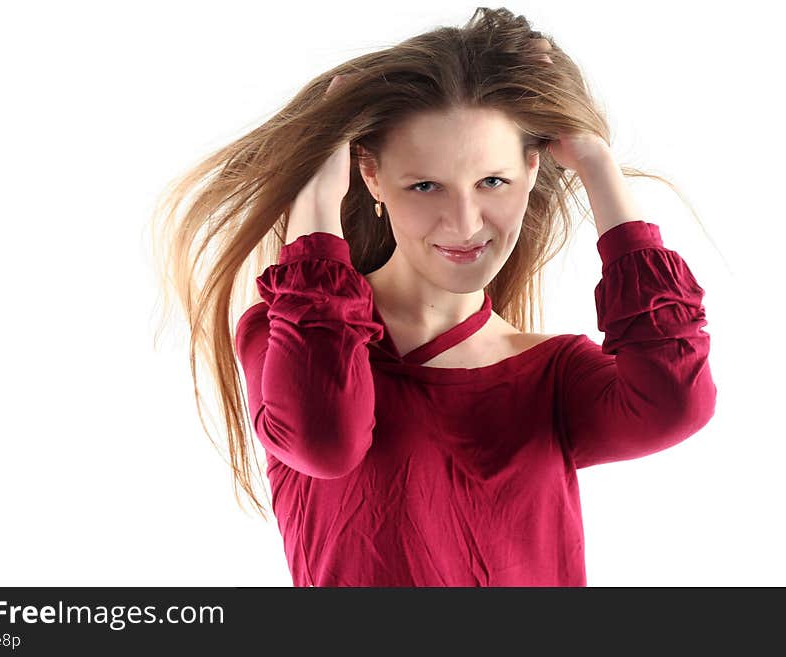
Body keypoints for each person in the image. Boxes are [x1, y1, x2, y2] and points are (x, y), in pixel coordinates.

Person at [151, 7, 717, 586]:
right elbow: (325, 441)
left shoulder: (551, 375)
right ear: (368, 176)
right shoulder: (291, 334)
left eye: (492, 181)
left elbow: (675, 401)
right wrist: (315, 201)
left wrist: (597, 164)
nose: (465, 222)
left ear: (532, 167)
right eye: (425, 185)